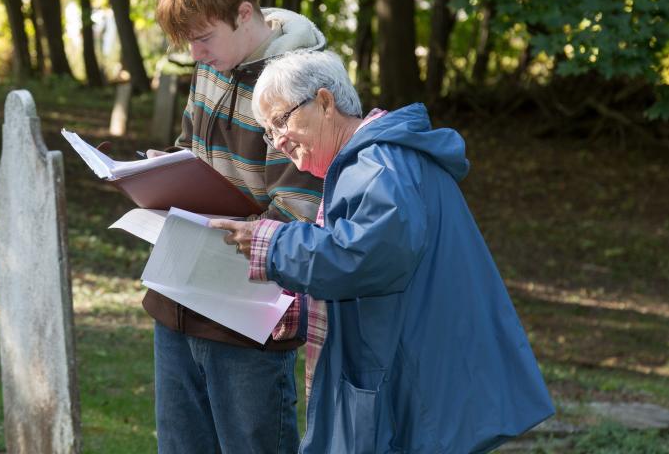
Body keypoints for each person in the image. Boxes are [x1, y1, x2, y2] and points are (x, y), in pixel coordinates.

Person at [212, 50, 555, 454]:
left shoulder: (378, 163)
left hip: (417, 387)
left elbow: (365, 258)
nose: (279, 140)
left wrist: (271, 242)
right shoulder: (369, 161)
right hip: (411, 376)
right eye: (270, 131)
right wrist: (306, 308)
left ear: (325, 102)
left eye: (282, 121)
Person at [145, 0, 327, 454]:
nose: (196, 54)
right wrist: (163, 174)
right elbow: (192, 148)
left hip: (248, 310)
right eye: (188, 42)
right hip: (178, 292)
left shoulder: (302, 84)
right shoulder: (213, 63)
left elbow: (297, 211)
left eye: (203, 38)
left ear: (244, 14)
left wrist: (225, 227)